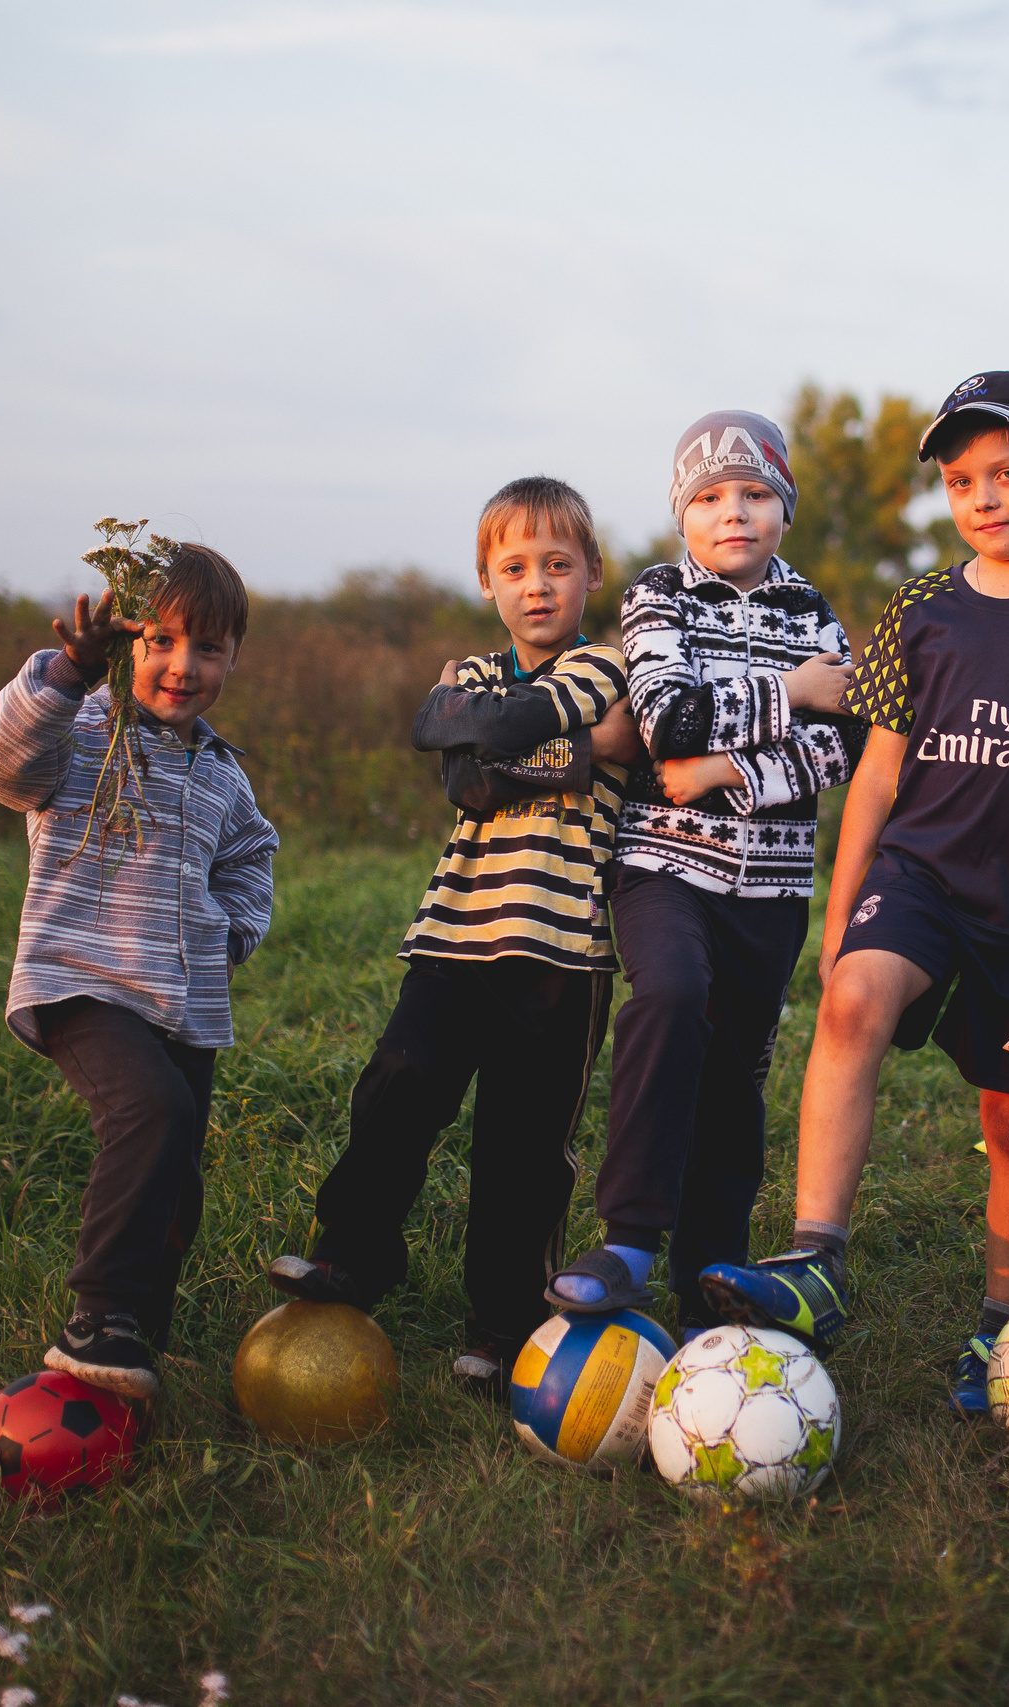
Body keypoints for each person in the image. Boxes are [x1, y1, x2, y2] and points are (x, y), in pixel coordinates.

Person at [701, 371, 1009, 1415]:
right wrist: (841, 910)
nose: (985, 496)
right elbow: (876, 772)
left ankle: (1003, 1321)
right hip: (920, 875)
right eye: (962, 481)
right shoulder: (921, 608)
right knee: (853, 999)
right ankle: (816, 1258)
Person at [264, 476, 640, 1389]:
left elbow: (484, 746)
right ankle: (355, 1254)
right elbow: (461, 775)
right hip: (454, 935)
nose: (537, 584)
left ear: (592, 571)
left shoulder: (609, 667)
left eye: (558, 565)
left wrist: (490, 738)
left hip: (562, 950)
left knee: (523, 1146)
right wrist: (587, 751)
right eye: (515, 568)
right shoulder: (473, 674)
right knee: (399, 1081)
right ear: (486, 581)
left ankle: (505, 1323)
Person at [542, 412, 863, 1337]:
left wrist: (726, 769)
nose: (735, 513)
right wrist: (791, 691)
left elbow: (843, 744)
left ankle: (708, 1289)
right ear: (682, 513)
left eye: (756, 494)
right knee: (673, 994)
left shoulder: (812, 612)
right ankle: (630, 1239)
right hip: (664, 865)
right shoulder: (659, 596)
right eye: (711, 497)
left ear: (785, 508)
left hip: (773, 888)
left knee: (735, 1077)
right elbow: (665, 721)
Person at [0, 541, 277, 1400]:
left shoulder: (220, 771)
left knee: (178, 1176)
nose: (183, 666)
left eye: (208, 648)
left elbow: (251, 856)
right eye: (161, 640)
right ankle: (97, 1314)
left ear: (233, 658)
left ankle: (139, 1333)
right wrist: (69, 671)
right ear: (125, 641)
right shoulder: (80, 731)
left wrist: (231, 934)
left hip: (187, 1002)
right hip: (83, 982)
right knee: (151, 1111)